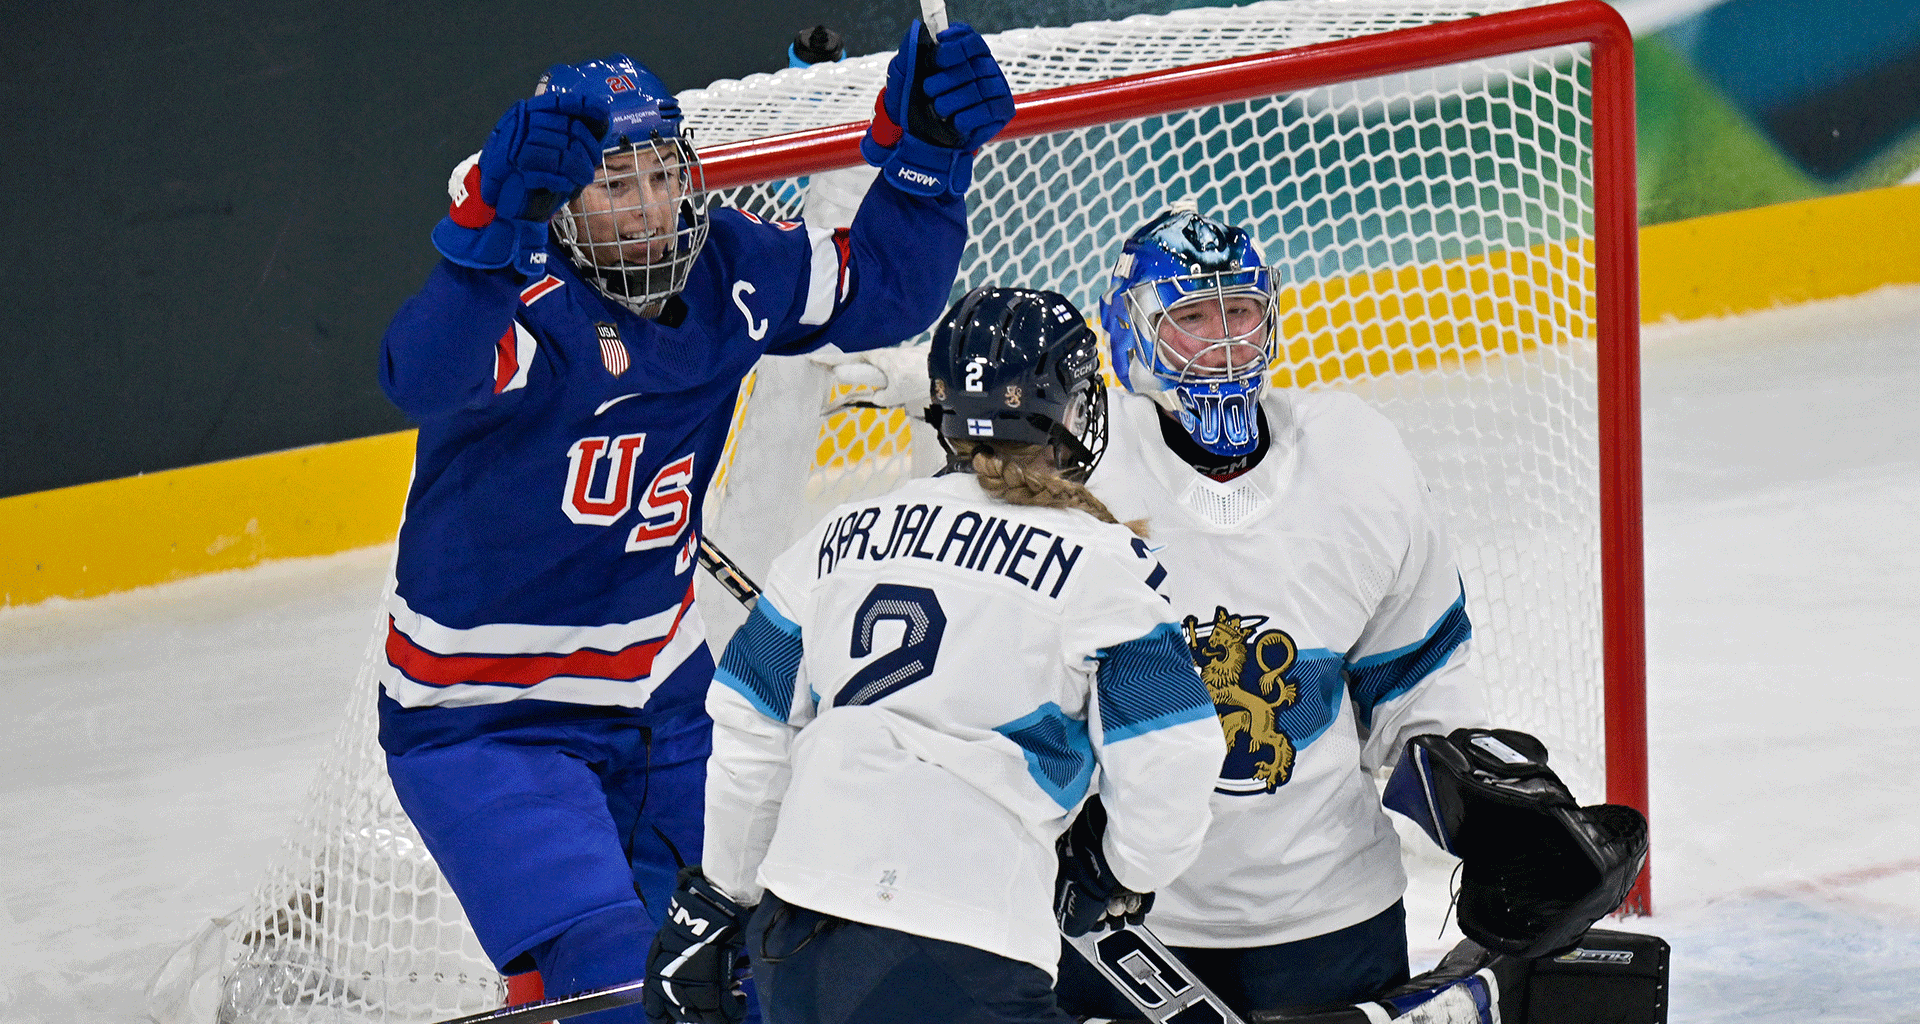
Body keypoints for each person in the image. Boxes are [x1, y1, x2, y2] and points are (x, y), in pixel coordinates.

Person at [373, 25, 1013, 1022]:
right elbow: (422, 373)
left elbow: (883, 289)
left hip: (663, 693)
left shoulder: (730, 268)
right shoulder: (526, 299)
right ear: (563, 201)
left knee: (761, 958)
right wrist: (479, 240)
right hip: (485, 717)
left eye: (661, 176)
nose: (646, 209)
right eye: (611, 185)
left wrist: (929, 159)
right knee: (621, 980)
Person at [638, 286, 1226, 1024]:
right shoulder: (1109, 567)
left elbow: (751, 728)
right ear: (1075, 409)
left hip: (799, 929)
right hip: (968, 938)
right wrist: (1117, 870)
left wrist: (723, 896)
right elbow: (1173, 755)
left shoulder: (835, 536)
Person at [1051, 201, 1494, 1017]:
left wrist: (1483, 812)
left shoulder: (1356, 457)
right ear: (1129, 333)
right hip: (1122, 924)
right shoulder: (1078, 476)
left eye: (1242, 311)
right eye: (1190, 316)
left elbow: (1416, 676)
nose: (1225, 340)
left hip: (1329, 912)